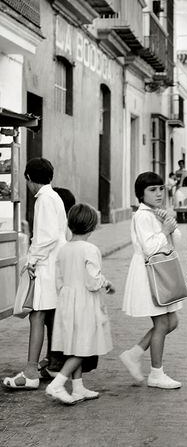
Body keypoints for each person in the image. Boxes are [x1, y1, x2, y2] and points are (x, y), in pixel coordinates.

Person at [4, 158, 67, 390]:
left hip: (46, 265)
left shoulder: (44, 200)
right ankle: (51, 362)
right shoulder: (55, 197)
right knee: (49, 316)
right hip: (55, 264)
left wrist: (32, 259)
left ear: (29, 179)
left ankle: (30, 372)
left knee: (37, 316)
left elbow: (47, 236)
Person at [46, 203, 114, 404]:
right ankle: (57, 384)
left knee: (74, 344)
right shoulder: (90, 249)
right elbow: (93, 281)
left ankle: (78, 387)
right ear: (92, 226)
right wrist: (106, 282)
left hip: (67, 302)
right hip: (84, 304)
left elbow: (58, 280)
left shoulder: (64, 249)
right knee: (84, 347)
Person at [120, 172, 182, 390]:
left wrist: (168, 223)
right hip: (150, 272)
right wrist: (165, 230)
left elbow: (176, 239)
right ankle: (156, 372)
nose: (158, 193)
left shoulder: (155, 213)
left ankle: (134, 353)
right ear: (141, 193)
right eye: (152, 190)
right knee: (162, 323)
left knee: (171, 322)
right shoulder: (142, 216)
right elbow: (150, 248)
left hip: (162, 269)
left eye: (161, 189)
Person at [40, 187, 77, 379]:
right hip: (62, 285)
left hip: (59, 286)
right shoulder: (67, 229)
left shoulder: (63, 231)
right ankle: (51, 358)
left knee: (54, 323)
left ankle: (56, 363)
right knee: (53, 322)